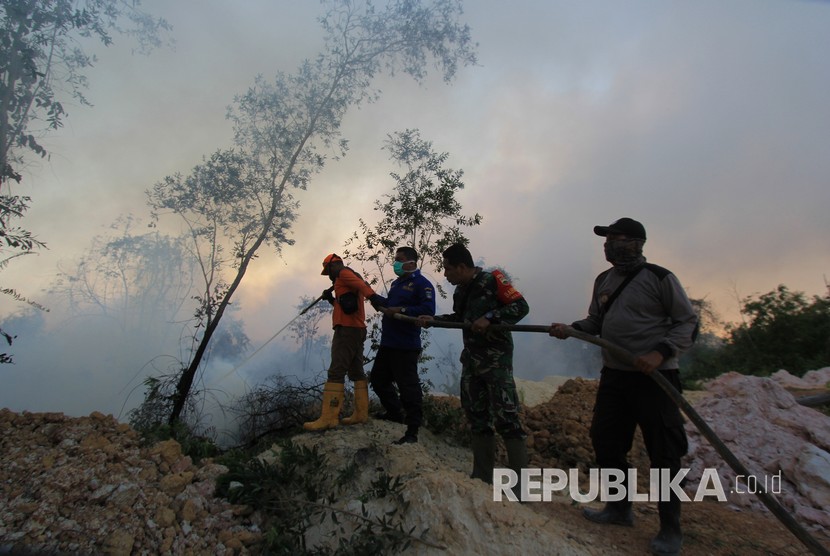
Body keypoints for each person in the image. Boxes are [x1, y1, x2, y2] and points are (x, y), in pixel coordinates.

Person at [549, 217, 698, 556]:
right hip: (616, 375)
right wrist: (571, 328)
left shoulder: (660, 278)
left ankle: (670, 528)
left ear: (636, 242)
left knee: (664, 453)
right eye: (607, 238)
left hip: (655, 378)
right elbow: (596, 322)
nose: (609, 244)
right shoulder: (604, 280)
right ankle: (619, 509)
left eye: (616, 237)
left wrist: (659, 354)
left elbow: (687, 322)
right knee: (606, 441)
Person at [418, 243, 529, 486]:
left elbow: (521, 307)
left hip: (496, 362)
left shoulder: (493, 280)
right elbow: (461, 320)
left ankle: (521, 487)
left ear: (461, 266)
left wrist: (490, 317)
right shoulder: (461, 291)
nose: (445, 274)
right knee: (477, 417)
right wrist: (433, 320)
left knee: (507, 418)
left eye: (448, 269)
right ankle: (482, 478)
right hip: (472, 362)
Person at [304, 253, 384, 431]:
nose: (329, 275)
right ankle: (361, 414)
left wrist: (374, 298)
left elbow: (362, 286)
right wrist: (331, 299)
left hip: (346, 331)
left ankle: (329, 418)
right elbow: (347, 306)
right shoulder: (345, 277)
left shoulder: (343, 274)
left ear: (334, 265)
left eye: (328, 271)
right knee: (356, 371)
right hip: (356, 329)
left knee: (336, 372)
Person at [370, 246, 436, 444]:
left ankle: (413, 429)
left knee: (408, 387)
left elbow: (427, 308)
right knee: (378, 379)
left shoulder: (422, 285)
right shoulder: (397, 283)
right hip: (388, 342)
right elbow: (389, 305)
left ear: (411, 262)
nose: (395, 264)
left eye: (399, 260)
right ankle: (394, 413)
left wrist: (403, 309)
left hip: (405, 345)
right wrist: (371, 295)